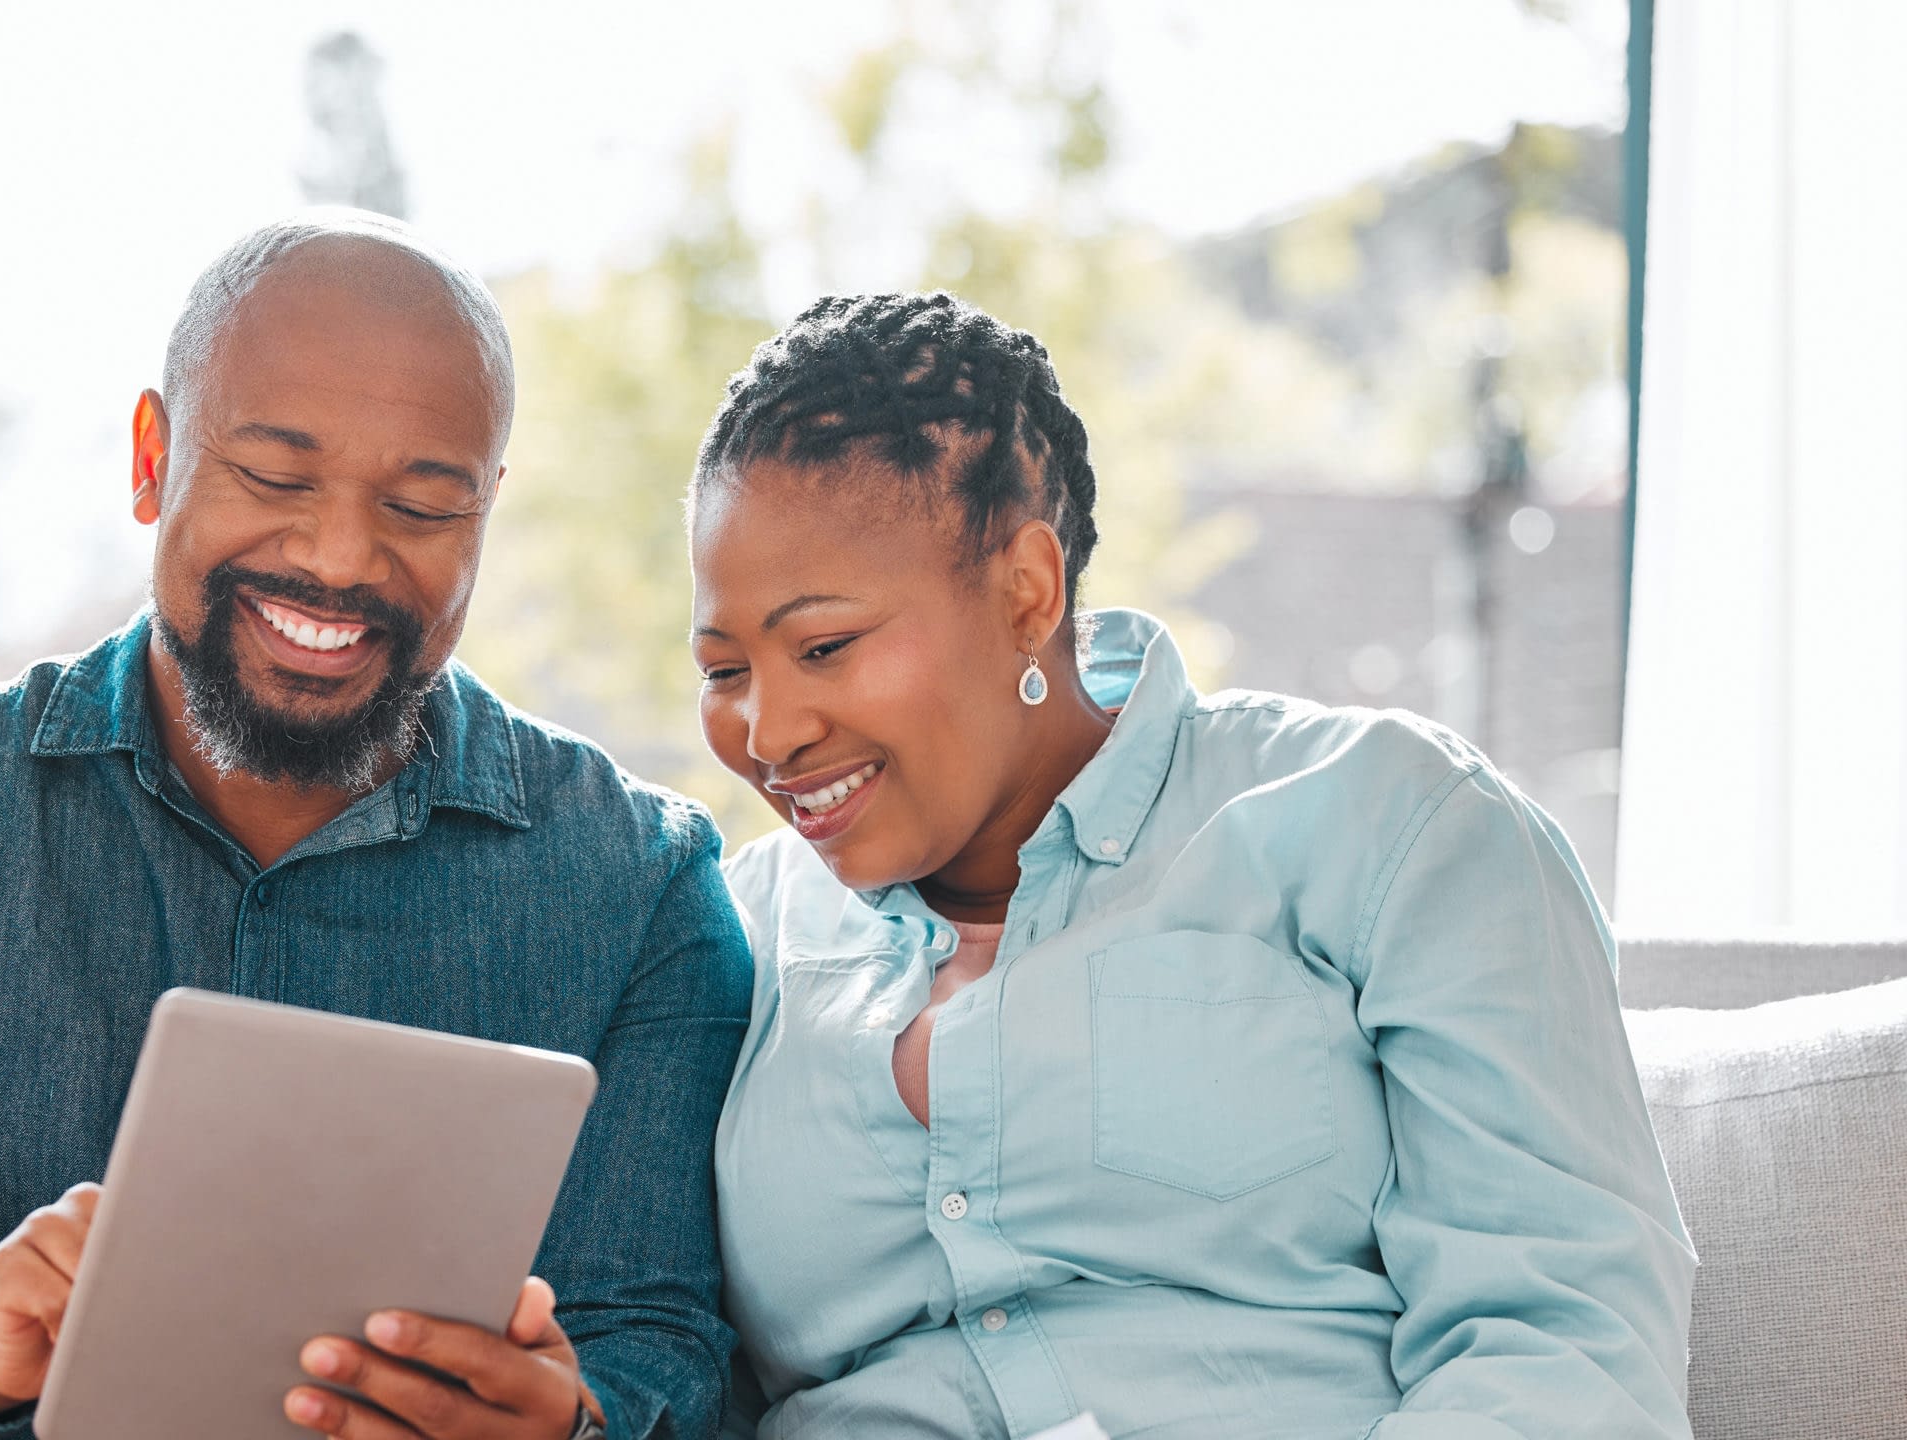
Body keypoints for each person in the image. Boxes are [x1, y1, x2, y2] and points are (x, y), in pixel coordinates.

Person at [0, 212, 752, 1440]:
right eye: (275, 478)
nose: (338, 556)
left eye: (423, 507)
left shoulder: (641, 886)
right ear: (149, 458)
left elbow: (668, 1352)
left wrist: (572, 1422)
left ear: (486, 510)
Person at [688, 292, 1696, 1439]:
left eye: (824, 647)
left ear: (1025, 591)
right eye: (725, 671)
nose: (766, 734)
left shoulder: (1388, 824)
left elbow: (1563, 1337)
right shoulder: (732, 930)